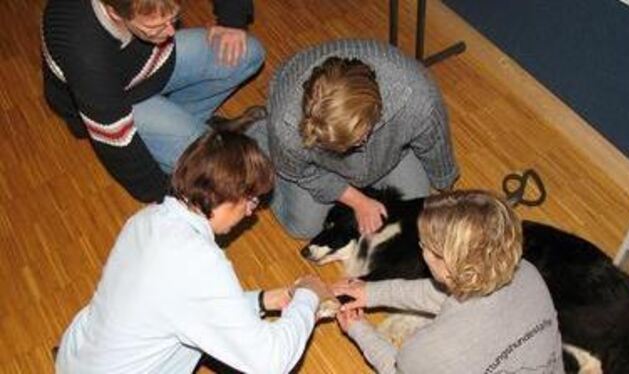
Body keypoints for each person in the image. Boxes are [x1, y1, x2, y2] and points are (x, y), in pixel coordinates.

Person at [55, 129, 332, 373]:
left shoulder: (147, 220)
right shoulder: (199, 262)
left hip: (78, 356)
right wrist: (309, 296)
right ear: (227, 197)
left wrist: (263, 301)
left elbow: (187, 303)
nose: (251, 212)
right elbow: (270, 362)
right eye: (251, 200)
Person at [42, 0, 265, 202]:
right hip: (119, 100)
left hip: (149, 60)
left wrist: (232, 21)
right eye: (157, 25)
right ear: (114, 13)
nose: (171, 31)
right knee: (215, 161)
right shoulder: (84, 53)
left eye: (174, 18)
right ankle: (191, 136)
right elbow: (115, 140)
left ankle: (189, 126)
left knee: (249, 54)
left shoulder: (153, 29)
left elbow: (164, 31)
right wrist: (164, 194)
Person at [332, 190, 564, 373]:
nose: (420, 248)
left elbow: (397, 368)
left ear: (447, 265)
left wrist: (359, 330)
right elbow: (441, 294)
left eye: (424, 245)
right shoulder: (527, 273)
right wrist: (372, 292)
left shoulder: (429, 351)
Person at [252, 38, 459, 239]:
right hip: (317, 164)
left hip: (387, 152)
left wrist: (446, 196)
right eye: (339, 148)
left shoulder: (417, 97)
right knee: (304, 227)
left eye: (356, 141)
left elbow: (435, 145)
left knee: (414, 203)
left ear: (377, 112)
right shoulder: (286, 126)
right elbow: (304, 174)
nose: (348, 153)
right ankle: (259, 133)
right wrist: (359, 201)